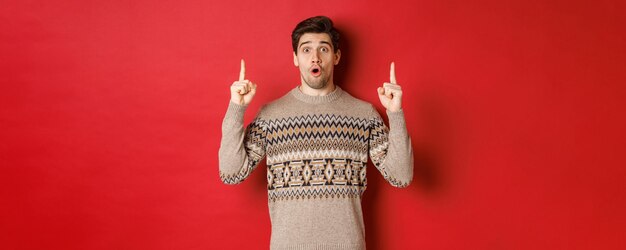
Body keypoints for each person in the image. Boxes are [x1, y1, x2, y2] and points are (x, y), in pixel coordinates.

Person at [218, 16, 414, 250]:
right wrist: (236, 107)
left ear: (337, 56)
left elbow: (401, 177)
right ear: (295, 58)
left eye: (324, 48)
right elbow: (230, 173)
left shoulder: (363, 115)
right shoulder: (271, 115)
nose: (315, 57)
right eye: (306, 49)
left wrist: (396, 113)